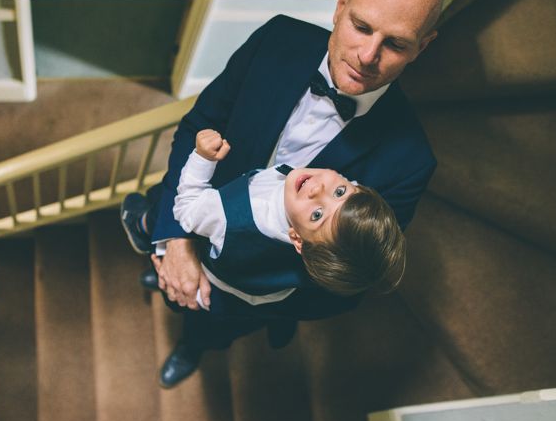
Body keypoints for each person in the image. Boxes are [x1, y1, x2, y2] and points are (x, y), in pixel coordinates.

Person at [121, 0, 443, 388]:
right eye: (361, 27)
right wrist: (175, 239)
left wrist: (243, 296)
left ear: (423, 48)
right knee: (168, 270)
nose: (368, 56)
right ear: (341, 4)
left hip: (245, 292)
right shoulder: (278, 39)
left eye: (396, 44)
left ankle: (194, 345)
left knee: (209, 326)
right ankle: (165, 280)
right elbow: (200, 122)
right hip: (190, 210)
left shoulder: (410, 163)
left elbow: (347, 279)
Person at [161, 128, 405, 306]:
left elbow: (185, 210)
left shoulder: (226, 216)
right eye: (340, 191)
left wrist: (202, 158)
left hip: (220, 276)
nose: (318, 189)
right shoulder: (335, 220)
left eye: (317, 214)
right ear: (358, 187)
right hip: (264, 287)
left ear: (297, 240)